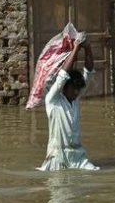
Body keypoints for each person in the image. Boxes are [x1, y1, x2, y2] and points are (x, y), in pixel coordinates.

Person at [37, 37, 99, 171]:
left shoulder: (75, 99)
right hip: (57, 156)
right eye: (74, 88)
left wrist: (88, 48)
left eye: (78, 89)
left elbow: (88, 73)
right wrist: (76, 48)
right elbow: (62, 76)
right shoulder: (53, 100)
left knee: (95, 172)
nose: (77, 92)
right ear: (65, 87)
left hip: (78, 156)